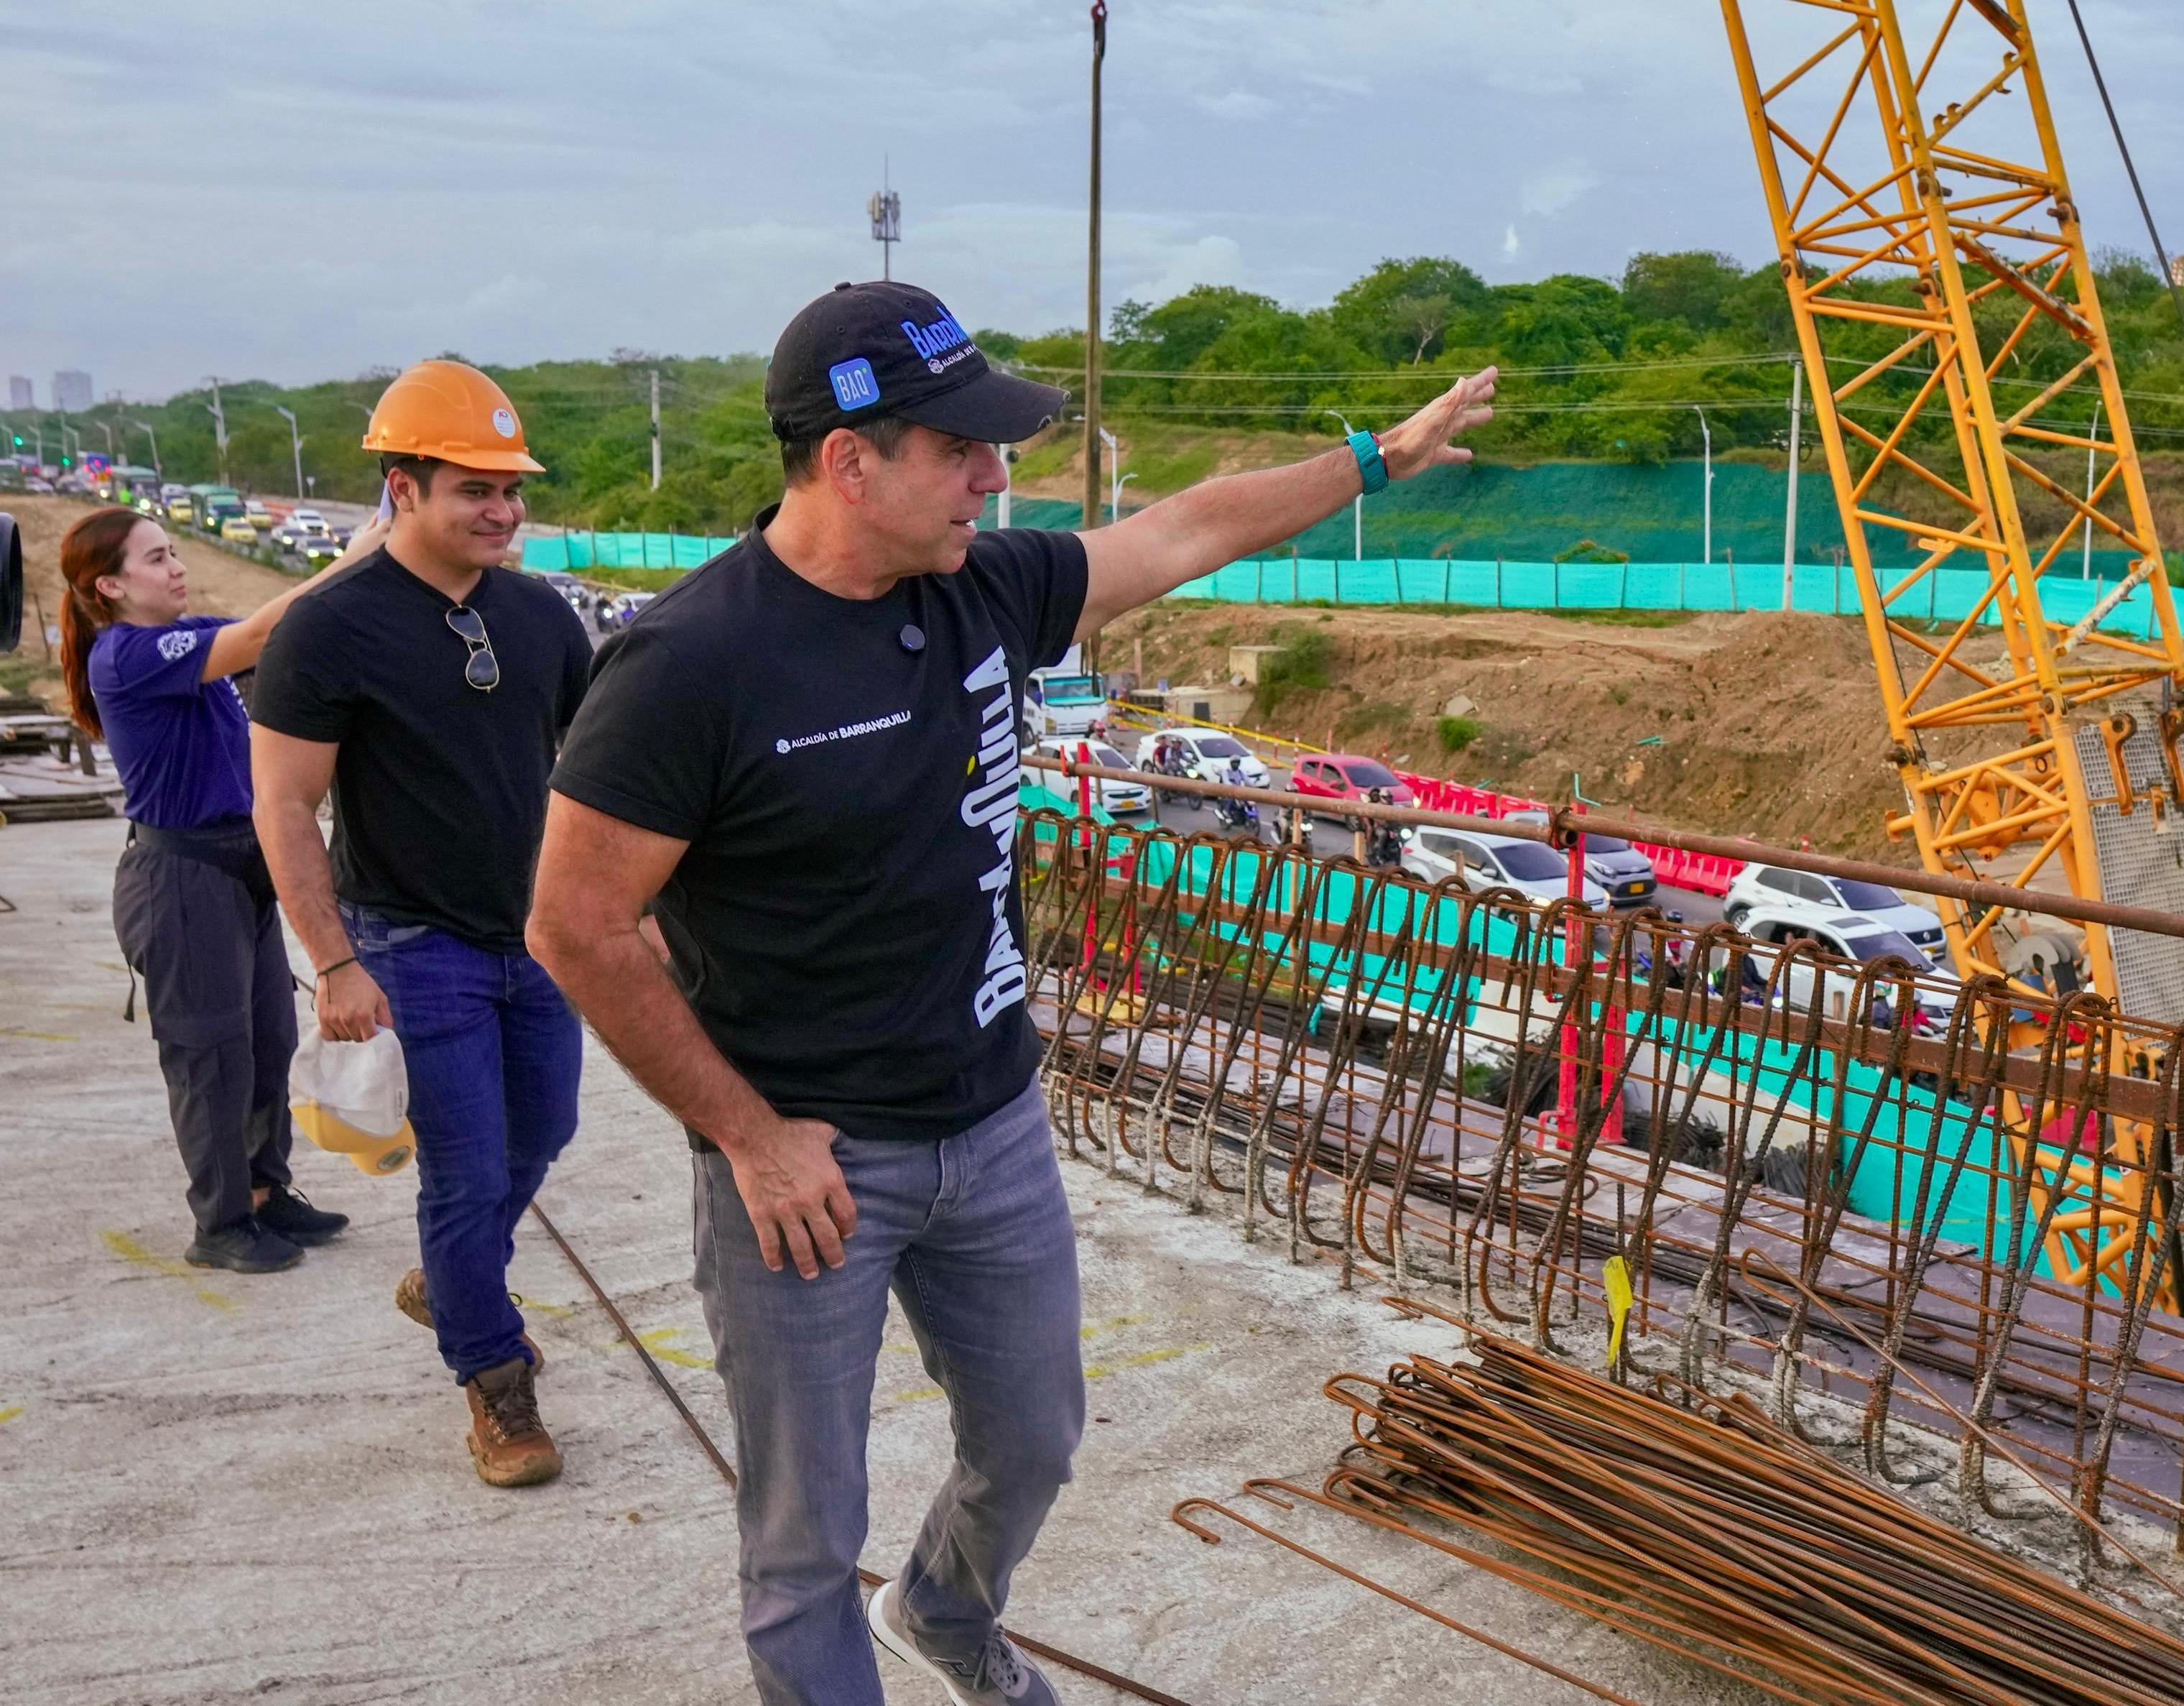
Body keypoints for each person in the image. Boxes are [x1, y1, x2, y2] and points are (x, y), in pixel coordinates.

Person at [528, 279, 1494, 1706]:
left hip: (989, 1127)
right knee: (804, 1536)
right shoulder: (693, 664)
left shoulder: (981, 584)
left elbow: (1188, 524)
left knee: (1035, 1435)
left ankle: (949, 1605)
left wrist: (1375, 458)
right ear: (850, 461)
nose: (998, 471)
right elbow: (577, 922)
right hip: (807, 1165)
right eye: (962, 448)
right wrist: (747, 1133)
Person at [248, 360, 595, 1488]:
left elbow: (598, 773)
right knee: (462, 1171)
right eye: (471, 488)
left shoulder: (542, 617)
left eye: (510, 488)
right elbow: (286, 804)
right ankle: (497, 1387)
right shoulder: (329, 629)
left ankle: (454, 1281)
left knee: (542, 1131)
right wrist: (334, 962)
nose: (500, 510)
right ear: (402, 487)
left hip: (534, 938)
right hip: (409, 944)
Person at [60, 507, 360, 1271]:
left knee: (267, 1041)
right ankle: (220, 1223)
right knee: (209, 1057)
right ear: (111, 586)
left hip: (242, 865)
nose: (177, 567)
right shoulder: (127, 654)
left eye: (174, 554)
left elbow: (277, 631)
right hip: (183, 877)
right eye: (158, 558)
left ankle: (265, 1191)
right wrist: (363, 551)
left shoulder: (188, 642)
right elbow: (263, 633)